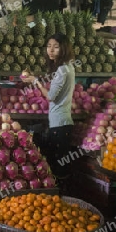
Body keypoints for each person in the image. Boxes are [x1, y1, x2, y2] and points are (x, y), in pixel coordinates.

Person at [22, 33, 75, 182]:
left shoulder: (63, 70)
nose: (51, 50)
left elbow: (51, 96)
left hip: (60, 124)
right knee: (60, 163)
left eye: (56, 47)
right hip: (62, 122)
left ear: (63, 49)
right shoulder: (67, 67)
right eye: (49, 46)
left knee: (58, 166)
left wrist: (36, 82)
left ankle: (61, 196)